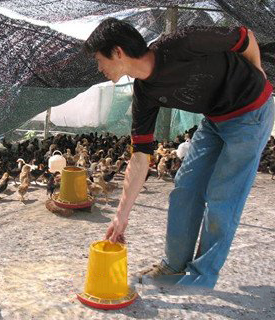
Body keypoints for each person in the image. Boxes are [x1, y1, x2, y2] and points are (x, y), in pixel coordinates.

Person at [84, 18, 274, 288]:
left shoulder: (182, 43)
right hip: (215, 119)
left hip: (251, 114)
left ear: (117, 52)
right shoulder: (144, 92)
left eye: (98, 59)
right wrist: (120, 216)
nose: (99, 67)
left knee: (222, 197)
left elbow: (244, 36)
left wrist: (257, 72)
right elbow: (140, 157)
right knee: (184, 187)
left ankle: (201, 277)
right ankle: (174, 267)